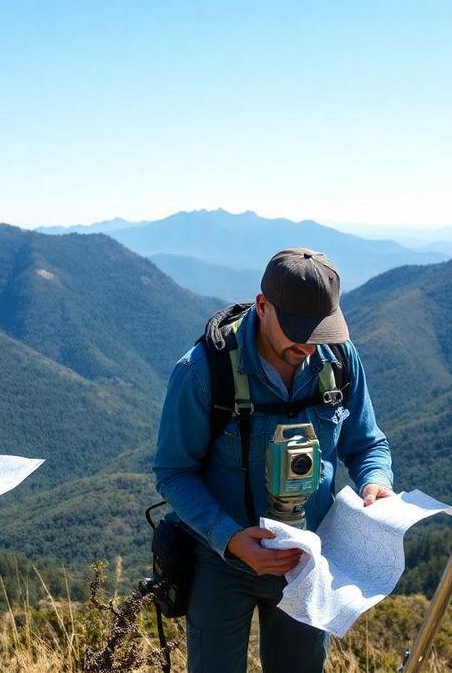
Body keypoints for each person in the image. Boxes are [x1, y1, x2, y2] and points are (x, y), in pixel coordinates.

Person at [152, 248, 394, 673]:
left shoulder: (339, 359)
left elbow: (367, 443)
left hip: (306, 561)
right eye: (297, 330)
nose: (307, 344)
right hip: (222, 562)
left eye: (319, 330)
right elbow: (174, 472)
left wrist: (375, 481)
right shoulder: (203, 371)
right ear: (262, 306)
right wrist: (229, 538)